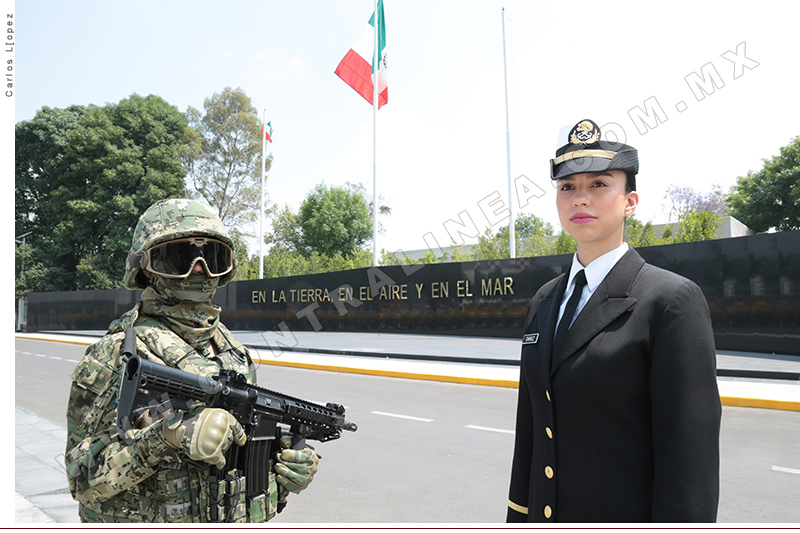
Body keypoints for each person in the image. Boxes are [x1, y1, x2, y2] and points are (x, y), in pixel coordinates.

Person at [506, 119, 721, 523]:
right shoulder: (544, 300)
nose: (580, 199)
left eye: (599, 184)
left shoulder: (670, 301)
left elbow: (689, 457)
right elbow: (530, 434)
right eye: (567, 187)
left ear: (631, 201)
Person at [65, 198, 319, 523]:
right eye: (180, 257)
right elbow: (82, 479)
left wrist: (287, 461)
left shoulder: (233, 352)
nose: (199, 270)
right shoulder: (115, 354)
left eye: (212, 257)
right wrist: (166, 437)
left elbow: (241, 452)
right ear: (145, 267)